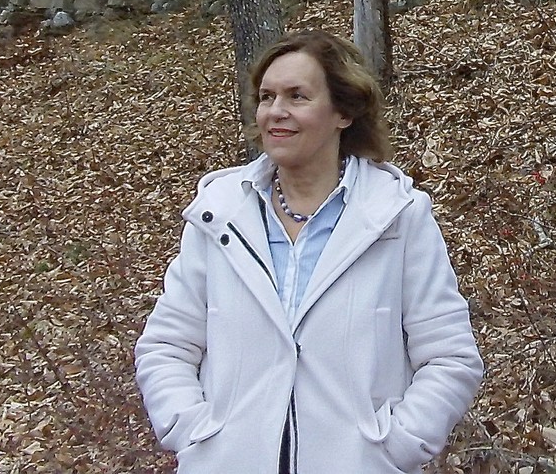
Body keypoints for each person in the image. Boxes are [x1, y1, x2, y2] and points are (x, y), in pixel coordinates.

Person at [136, 30, 484, 473]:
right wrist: (196, 436)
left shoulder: (396, 217)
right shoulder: (219, 214)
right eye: (266, 97)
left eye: (297, 96)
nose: (275, 112)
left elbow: (450, 356)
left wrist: (392, 450)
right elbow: (166, 346)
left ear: (343, 110)